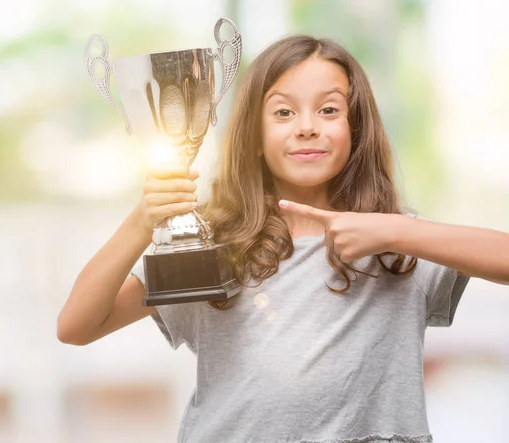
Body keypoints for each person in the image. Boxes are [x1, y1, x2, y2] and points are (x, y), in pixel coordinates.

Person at [57, 35, 509, 443]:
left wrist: (396, 230)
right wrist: (141, 222)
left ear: (357, 128)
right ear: (255, 135)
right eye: (283, 112)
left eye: (329, 110)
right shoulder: (215, 243)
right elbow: (77, 326)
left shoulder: (398, 242)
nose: (307, 126)